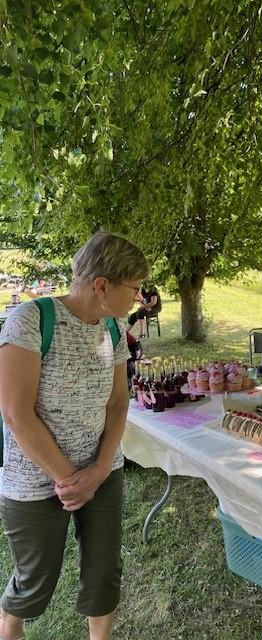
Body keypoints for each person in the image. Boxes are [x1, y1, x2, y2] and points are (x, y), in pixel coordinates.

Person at [0, 232, 149, 640]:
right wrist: (70, 480)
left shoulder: (113, 328)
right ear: (102, 285)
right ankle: (9, 627)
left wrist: (98, 471)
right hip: (35, 479)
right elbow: (15, 413)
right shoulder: (30, 320)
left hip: (102, 471)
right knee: (34, 580)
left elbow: (118, 403)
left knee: (104, 571)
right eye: (134, 288)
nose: (138, 298)